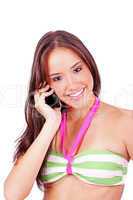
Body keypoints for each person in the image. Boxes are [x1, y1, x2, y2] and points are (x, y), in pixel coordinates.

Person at [4, 30, 133, 200]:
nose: (71, 85)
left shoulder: (125, 122)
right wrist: (51, 124)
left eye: (77, 69)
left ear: (90, 65)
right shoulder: (46, 125)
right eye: (57, 78)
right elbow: (13, 194)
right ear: (45, 84)